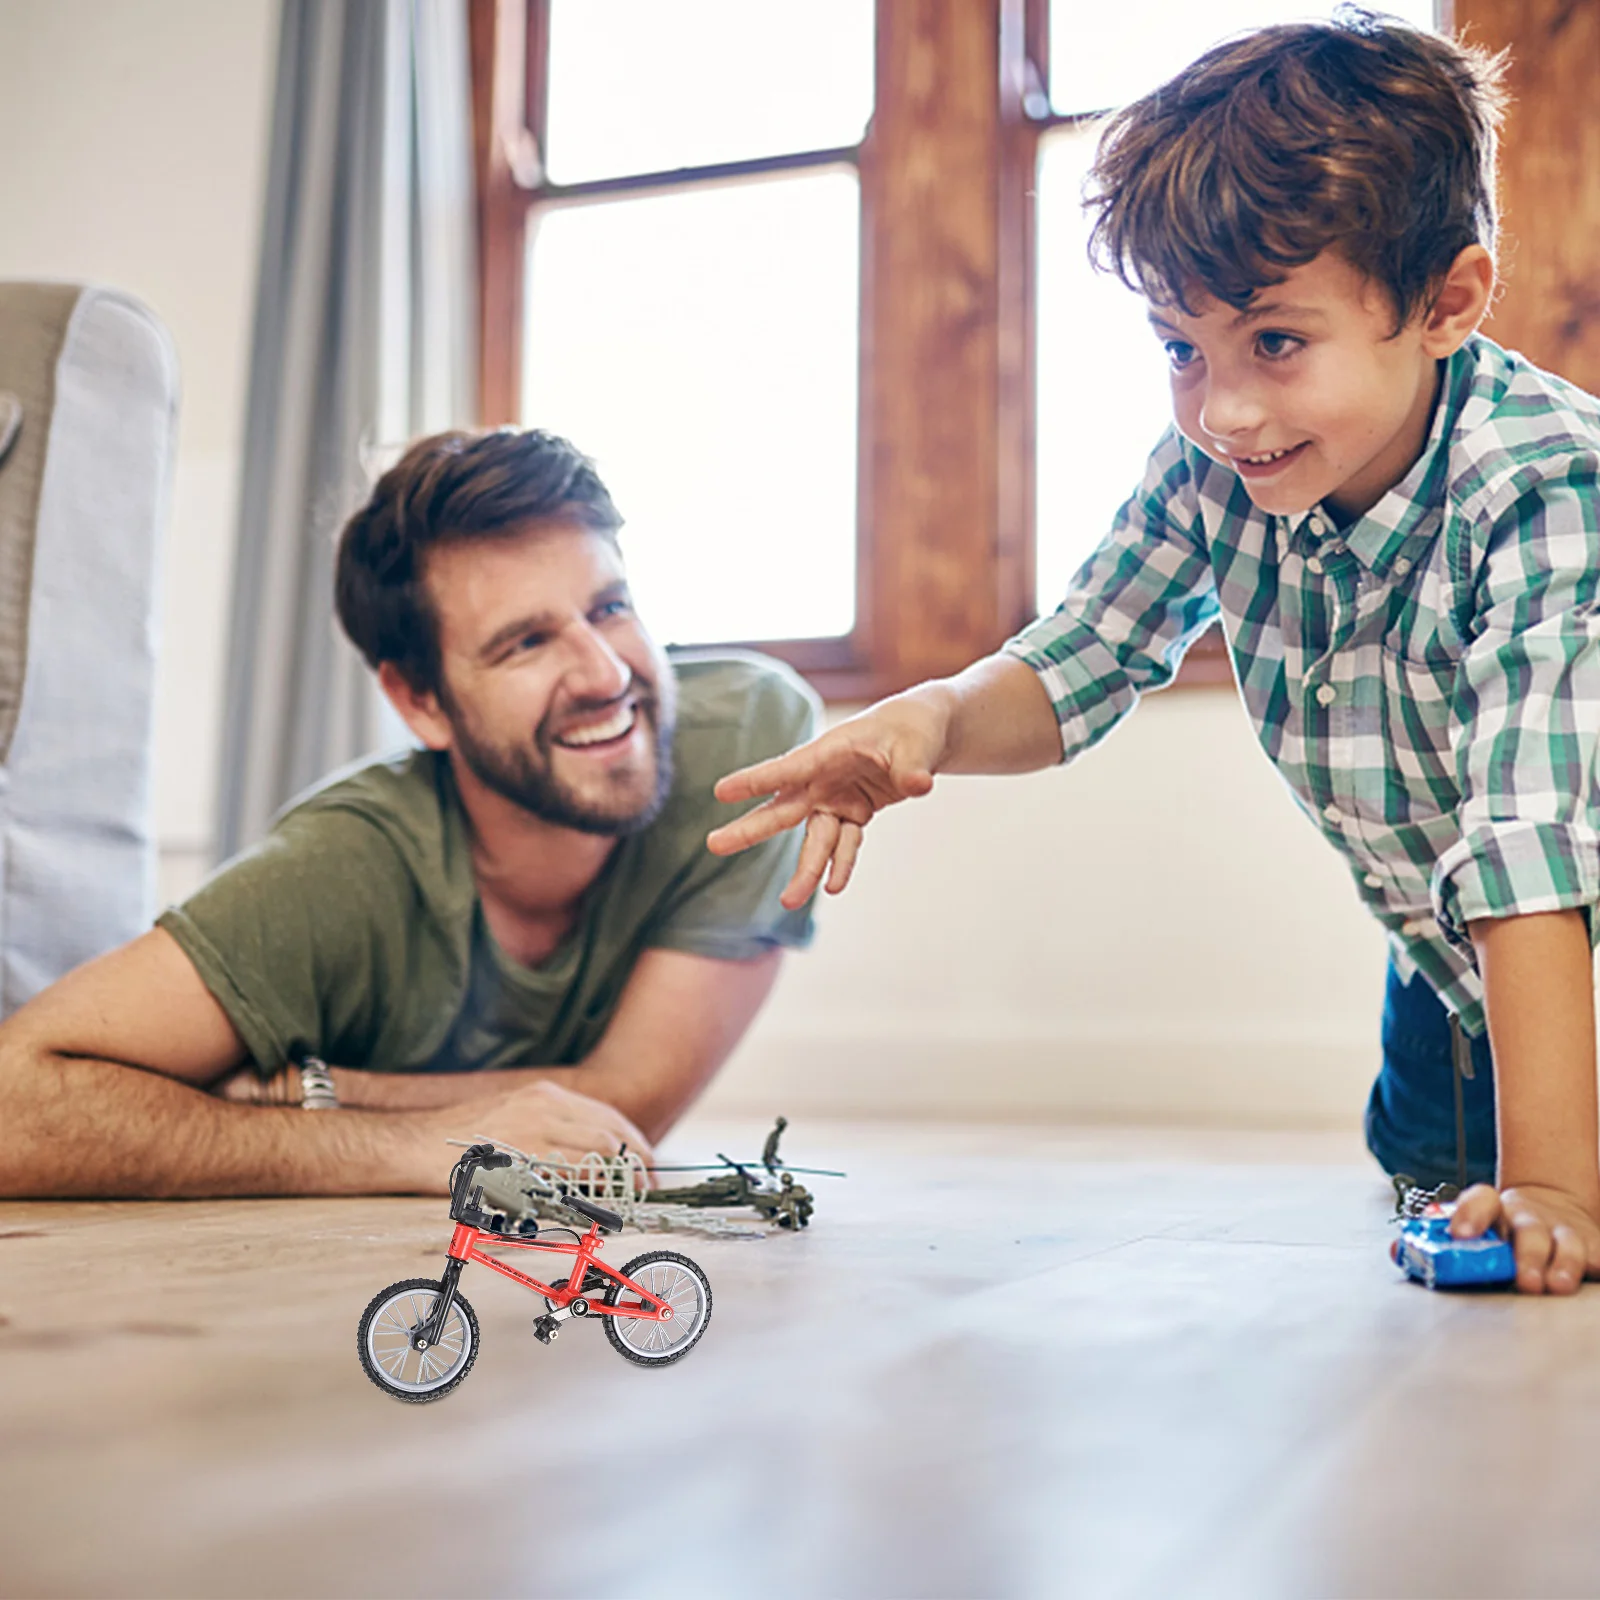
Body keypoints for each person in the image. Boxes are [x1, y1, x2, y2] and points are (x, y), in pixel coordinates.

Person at [708, 13, 1600, 1295]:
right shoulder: (1217, 472)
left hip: (1555, 916)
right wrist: (935, 721)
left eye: (1275, 343)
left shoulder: (1540, 485)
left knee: (1550, 1211)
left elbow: (1528, 844)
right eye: (1181, 349)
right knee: (1424, 1174)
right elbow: (1083, 656)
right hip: (1454, 970)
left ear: (1444, 302)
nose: (1223, 409)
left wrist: (1554, 1187)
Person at [0, 429, 816, 1198]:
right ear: (419, 700)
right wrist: (404, 1144)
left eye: (609, 607)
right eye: (526, 643)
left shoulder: (748, 749)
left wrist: (319, 1093)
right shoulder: (339, 870)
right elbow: (13, 1103)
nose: (605, 674)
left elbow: (627, 1105)